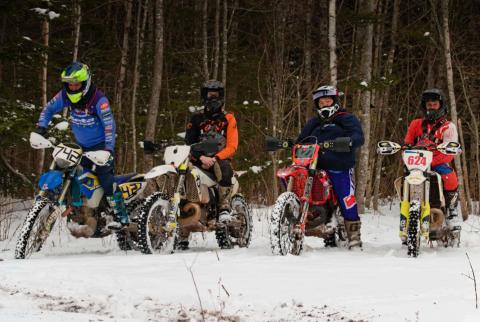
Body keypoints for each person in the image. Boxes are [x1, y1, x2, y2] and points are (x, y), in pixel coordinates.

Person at [35, 62, 128, 229]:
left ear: (85, 83)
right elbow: (48, 109)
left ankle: (120, 216)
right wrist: (41, 127)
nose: (73, 87)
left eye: (76, 84)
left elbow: (109, 125)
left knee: (106, 180)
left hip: (101, 147)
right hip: (81, 146)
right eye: (69, 84)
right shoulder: (64, 95)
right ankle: (76, 209)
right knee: (72, 174)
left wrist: (108, 149)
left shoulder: (99, 100)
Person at [296, 85, 365, 249]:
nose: (325, 104)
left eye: (328, 100)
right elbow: (302, 139)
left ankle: (354, 236)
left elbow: (358, 136)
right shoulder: (314, 122)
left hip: (339, 164)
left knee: (345, 197)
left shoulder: (346, 118)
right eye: (321, 102)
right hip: (314, 165)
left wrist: (348, 141)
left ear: (334, 101)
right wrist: (291, 143)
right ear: (317, 104)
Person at [182, 80, 238, 246]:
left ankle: (224, 208)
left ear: (221, 96)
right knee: (181, 171)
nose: (212, 98)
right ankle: (181, 219)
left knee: (224, 168)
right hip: (198, 157)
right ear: (204, 96)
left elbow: (233, 146)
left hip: (220, 157)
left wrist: (215, 158)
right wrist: (200, 158)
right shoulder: (197, 118)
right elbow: (188, 143)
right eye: (209, 94)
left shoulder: (229, 118)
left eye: (215, 95)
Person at [404, 88, 459, 227]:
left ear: (441, 105)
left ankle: (450, 208)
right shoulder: (415, 124)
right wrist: (405, 154)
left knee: (450, 177)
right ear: (424, 106)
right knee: (402, 178)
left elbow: (449, 152)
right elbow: (407, 144)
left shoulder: (448, 127)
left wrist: (431, 162)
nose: (431, 107)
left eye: (434, 104)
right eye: (429, 105)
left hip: (438, 162)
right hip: (416, 163)